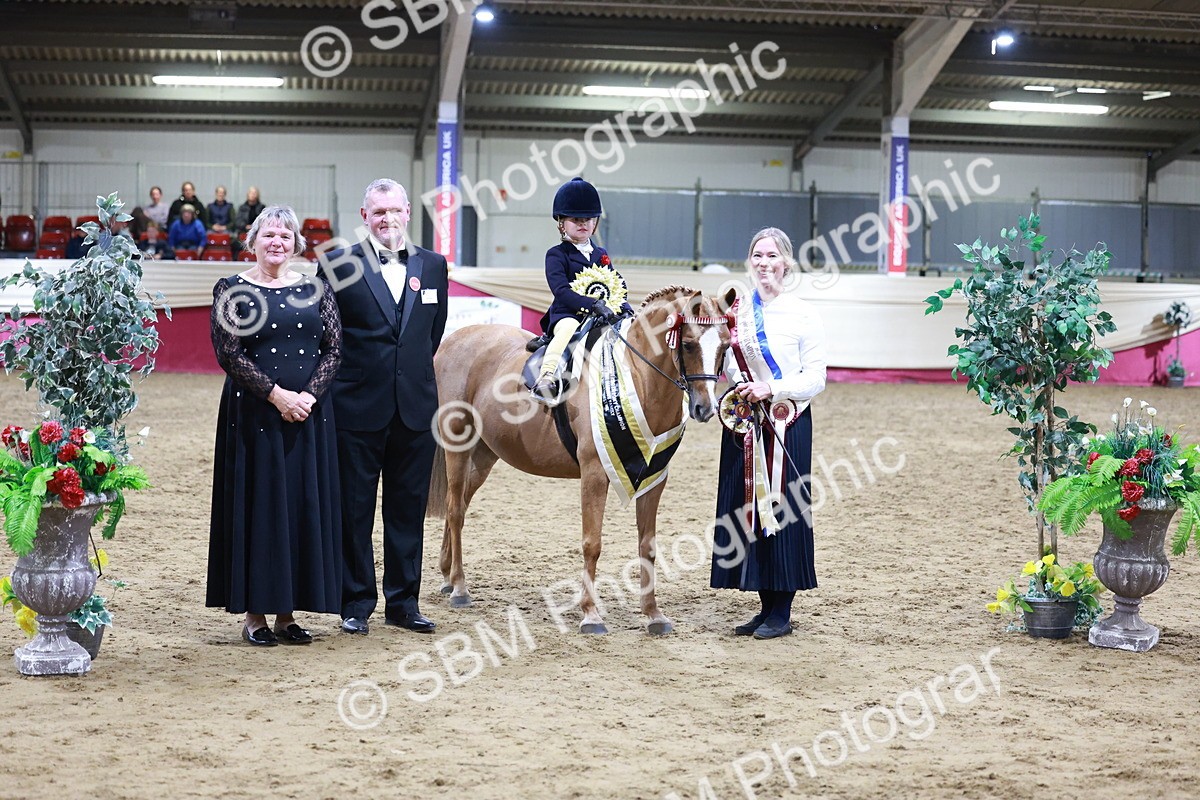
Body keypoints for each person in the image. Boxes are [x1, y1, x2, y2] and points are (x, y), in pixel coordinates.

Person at [206, 204, 344, 646]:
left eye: (285, 236)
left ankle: (287, 615)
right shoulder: (231, 288)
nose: (277, 242)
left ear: (296, 244)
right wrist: (276, 396)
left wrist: (307, 397)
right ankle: (255, 615)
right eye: (268, 234)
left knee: (299, 508)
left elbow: (334, 349)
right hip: (254, 417)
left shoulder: (317, 288)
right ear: (253, 241)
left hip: (308, 416)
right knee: (260, 509)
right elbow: (229, 353)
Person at [317, 178, 447, 636]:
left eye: (394, 210)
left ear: (408, 212)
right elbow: (326, 336)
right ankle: (355, 602)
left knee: (407, 510)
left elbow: (431, 333)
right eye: (378, 212)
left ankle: (404, 603)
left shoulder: (434, 265)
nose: (387, 219)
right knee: (354, 511)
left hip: (415, 410)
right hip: (355, 408)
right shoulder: (337, 263)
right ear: (364, 216)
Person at [710, 227, 827, 640]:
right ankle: (764, 607)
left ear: (786, 263)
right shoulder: (737, 312)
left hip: (786, 422)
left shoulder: (803, 314)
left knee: (783, 508)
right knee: (748, 508)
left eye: (772, 255)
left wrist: (772, 388)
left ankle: (783, 611)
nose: (764, 263)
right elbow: (729, 366)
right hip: (745, 423)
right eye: (757, 255)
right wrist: (741, 383)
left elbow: (816, 378)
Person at [529, 177, 632, 404]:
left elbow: (615, 283)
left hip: (601, 315)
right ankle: (546, 376)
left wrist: (624, 307)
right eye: (576, 219)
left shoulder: (601, 254)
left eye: (588, 219)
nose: (583, 224)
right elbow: (561, 291)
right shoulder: (557, 254)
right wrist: (592, 304)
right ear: (562, 223)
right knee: (568, 329)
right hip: (568, 314)